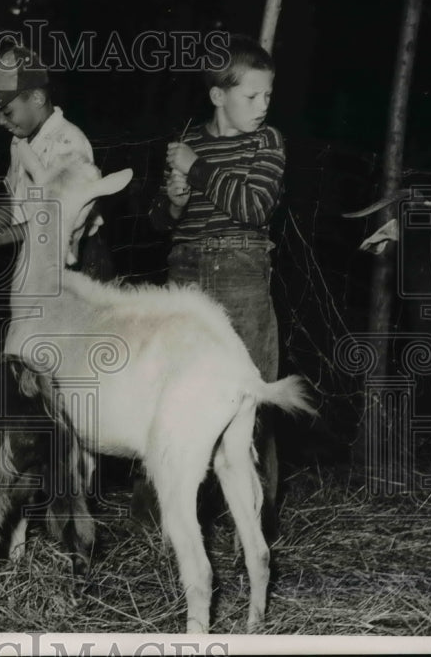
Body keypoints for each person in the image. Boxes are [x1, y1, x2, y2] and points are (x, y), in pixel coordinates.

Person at [144, 32, 284, 529]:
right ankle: (181, 522)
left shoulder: (266, 143)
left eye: (268, 95)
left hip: (241, 273)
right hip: (185, 277)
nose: (263, 105)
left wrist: (195, 169)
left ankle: (258, 526)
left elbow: (254, 207)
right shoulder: (190, 141)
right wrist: (176, 200)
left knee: (250, 398)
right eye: (251, 96)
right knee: (180, 397)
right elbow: (160, 223)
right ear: (217, 95)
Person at [0, 45, 105, 269]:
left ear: (37, 97)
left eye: (7, 113)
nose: (1, 122)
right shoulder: (19, 141)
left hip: (76, 259)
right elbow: (15, 200)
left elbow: (59, 220)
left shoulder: (69, 144)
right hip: (34, 252)